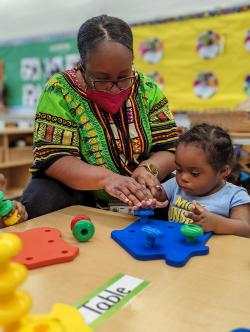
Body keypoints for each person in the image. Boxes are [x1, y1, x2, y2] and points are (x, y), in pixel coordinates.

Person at [21, 15, 178, 219]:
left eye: (124, 76)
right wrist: (106, 179)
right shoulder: (59, 91)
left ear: (132, 62)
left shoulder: (147, 89)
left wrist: (149, 170)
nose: (115, 88)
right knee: (44, 198)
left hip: (142, 190)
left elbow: (169, 148)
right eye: (102, 79)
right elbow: (53, 157)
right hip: (81, 191)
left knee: (188, 196)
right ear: (83, 67)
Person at [134, 123, 250, 237]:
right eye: (179, 169)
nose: (183, 177)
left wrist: (217, 224)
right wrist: (149, 199)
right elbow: (157, 195)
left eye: (195, 173)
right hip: (177, 248)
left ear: (223, 171)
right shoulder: (175, 185)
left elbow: (245, 229)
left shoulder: (235, 196)